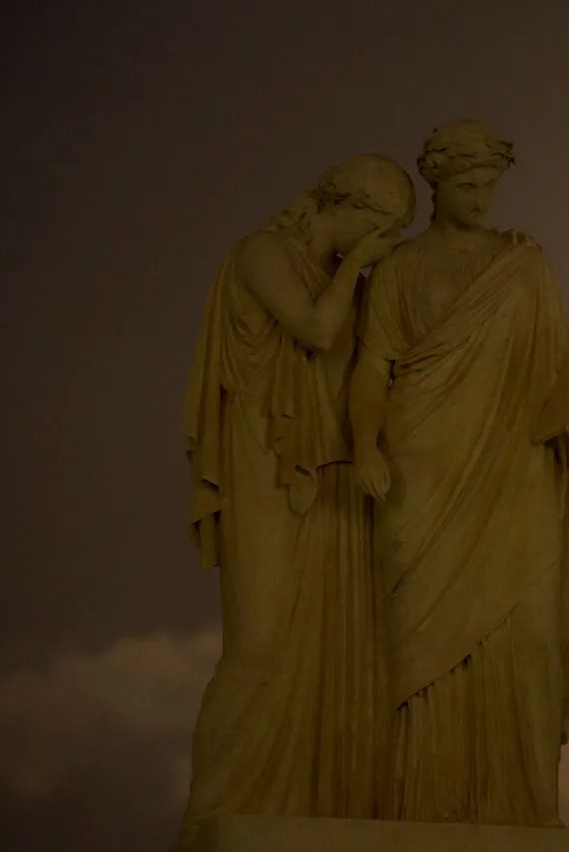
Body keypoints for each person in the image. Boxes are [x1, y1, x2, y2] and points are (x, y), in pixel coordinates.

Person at [350, 121, 569, 827]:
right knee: (418, 649)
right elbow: (371, 368)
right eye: (466, 187)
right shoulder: (399, 270)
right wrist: (364, 444)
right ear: (437, 186)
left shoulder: (525, 266)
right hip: (423, 471)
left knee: (526, 635)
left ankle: (522, 806)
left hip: (516, 471)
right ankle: (422, 809)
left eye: (488, 186)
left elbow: (556, 371)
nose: (480, 199)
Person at [177, 154, 414, 848]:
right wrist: (358, 265)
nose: (384, 247)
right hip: (266, 467)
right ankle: (208, 814)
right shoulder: (263, 252)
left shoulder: (355, 281)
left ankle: (312, 799)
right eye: (385, 230)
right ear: (356, 211)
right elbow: (314, 330)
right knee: (258, 643)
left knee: (332, 647)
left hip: (335, 475)